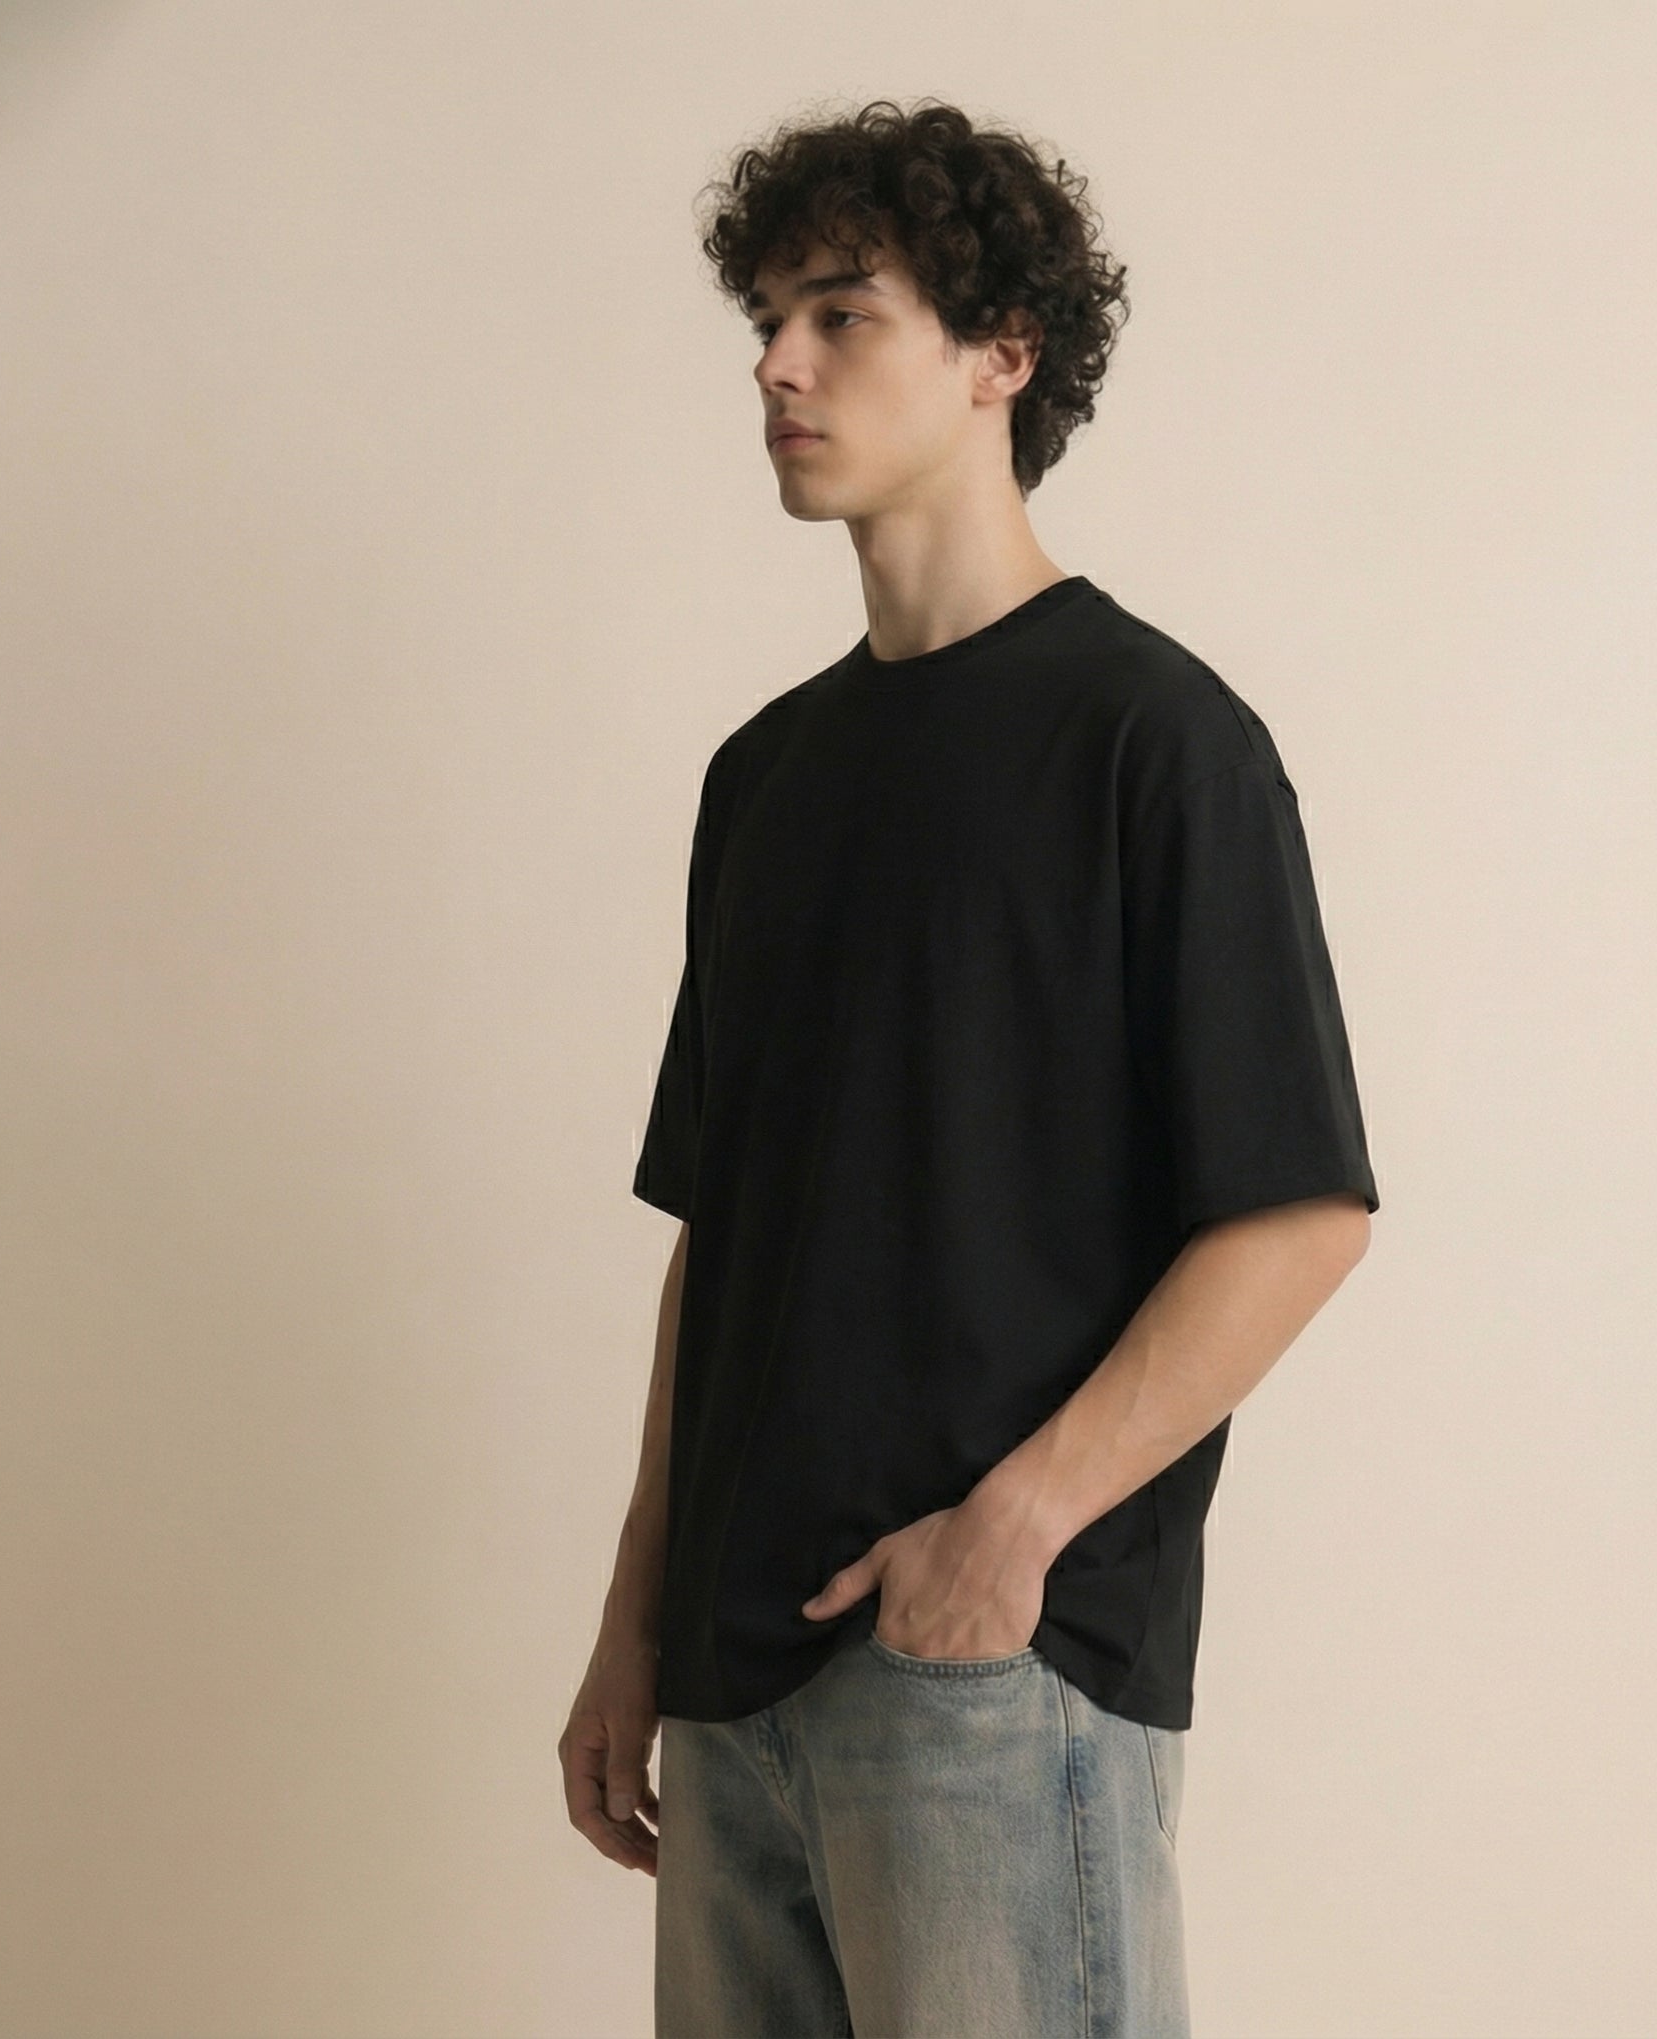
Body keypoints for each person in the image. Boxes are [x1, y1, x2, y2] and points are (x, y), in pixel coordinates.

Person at [559, 96, 1381, 2038]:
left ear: (1002, 352)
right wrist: (633, 1623)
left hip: (987, 1679)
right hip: (731, 1694)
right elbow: (721, 1234)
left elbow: (1295, 1215)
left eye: (840, 314)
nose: (777, 364)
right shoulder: (763, 777)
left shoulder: (1155, 744)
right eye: (767, 320)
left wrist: (1008, 1539)